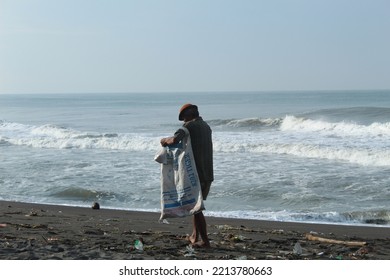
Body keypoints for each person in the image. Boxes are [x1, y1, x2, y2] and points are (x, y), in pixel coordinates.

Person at [160, 103, 214, 248]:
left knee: (197, 209)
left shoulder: (188, 127)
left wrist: (164, 141)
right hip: (208, 173)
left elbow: (174, 140)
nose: (183, 121)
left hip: (195, 174)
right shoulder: (206, 127)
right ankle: (194, 236)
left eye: (183, 118)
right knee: (196, 206)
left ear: (188, 116)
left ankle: (205, 241)